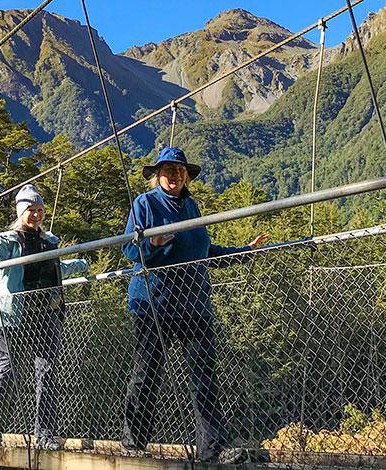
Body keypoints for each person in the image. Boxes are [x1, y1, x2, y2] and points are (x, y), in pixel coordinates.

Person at [120, 147, 267, 464]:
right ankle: (134, 443)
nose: (175, 176)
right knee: (146, 374)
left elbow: (203, 249)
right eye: (169, 171)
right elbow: (130, 252)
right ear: (158, 176)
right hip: (154, 302)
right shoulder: (144, 204)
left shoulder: (191, 206)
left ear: (186, 176)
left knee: (204, 377)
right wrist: (152, 243)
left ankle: (212, 449)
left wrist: (243, 252)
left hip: (194, 303)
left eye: (180, 171)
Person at [0, 184, 88, 450]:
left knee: (48, 373)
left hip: (47, 313)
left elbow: (56, 269)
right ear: (21, 212)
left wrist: (81, 265)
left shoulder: (49, 241)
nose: (36, 215)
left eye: (40, 210)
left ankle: (45, 435)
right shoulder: (9, 239)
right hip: (14, 316)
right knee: (9, 371)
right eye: (31, 210)